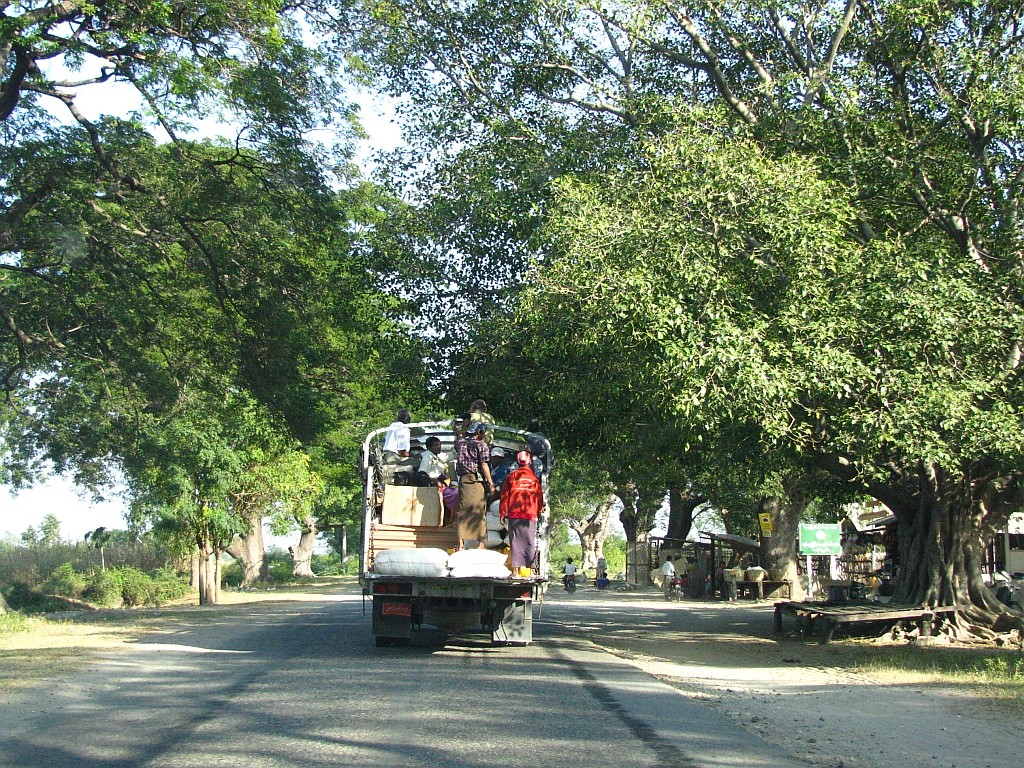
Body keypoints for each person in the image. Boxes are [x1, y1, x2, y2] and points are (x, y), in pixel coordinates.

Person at [499, 450, 543, 578]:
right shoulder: (534, 479)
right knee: (530, 542)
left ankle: (516, 572)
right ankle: (532, 571)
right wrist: (538, 511)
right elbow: (539, 498)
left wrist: (502, 513)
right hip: (530, 515)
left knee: (515, 542)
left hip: (515, 515)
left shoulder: (511, 477)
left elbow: (504, 496)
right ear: (529, 462)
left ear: (518, 462)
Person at [455, 421, 496, 549]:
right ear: (480, 432)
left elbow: (459, 437)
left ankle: (461, 543)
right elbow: (484, 465)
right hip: (476, 481)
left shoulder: (460, 443)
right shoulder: (481, 445)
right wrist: (491, 483)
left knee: (463, 511)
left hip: (463, 481)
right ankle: (481, 544)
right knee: (478, 511)